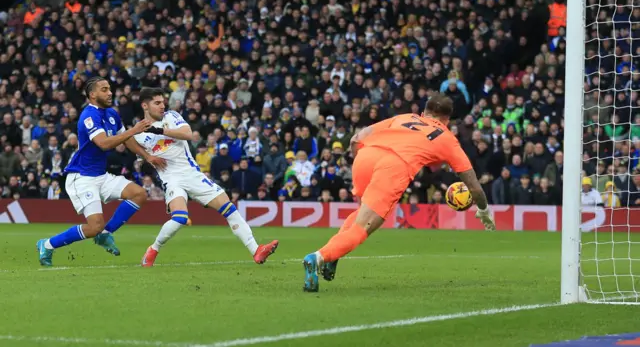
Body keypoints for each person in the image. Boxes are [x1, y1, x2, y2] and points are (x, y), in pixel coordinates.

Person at [301, 94, 496, 292]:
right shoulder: (446, 137)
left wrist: (358, 158)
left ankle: (334, 253)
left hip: (366, 156)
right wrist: (484, 210)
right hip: (394, 166)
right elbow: (474, 187)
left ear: (424, 112)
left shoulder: (405, 117)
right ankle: (317, 258)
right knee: (363, 227)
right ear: (446, 120)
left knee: (362, 213)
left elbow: (356, 138)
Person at [134, 87, 278, 267]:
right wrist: (148, 157)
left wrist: (159, 131)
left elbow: (187, 134)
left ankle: (256, 250)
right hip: (172, 179)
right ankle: (153, 250)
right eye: (157, 103)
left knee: (229, 209)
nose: (162, 106)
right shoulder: (138, 133)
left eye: (163, 102)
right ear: (145, 106)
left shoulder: (170, 117)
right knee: (179, 218)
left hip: (193, 175)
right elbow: (126, 143)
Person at [36, 77, 166, 266]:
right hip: (82, 177)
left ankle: (106, 234)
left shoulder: (112, 114)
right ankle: (47, 245)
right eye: (104, 89)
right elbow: (104, 143)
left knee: (138, 194)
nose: (110, 92)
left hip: (100, 175)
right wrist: (133, 130)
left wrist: (148, 157)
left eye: (110, 89)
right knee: (94, 227)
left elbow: (126, 140)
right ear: (92, 94)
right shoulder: (89, 116)